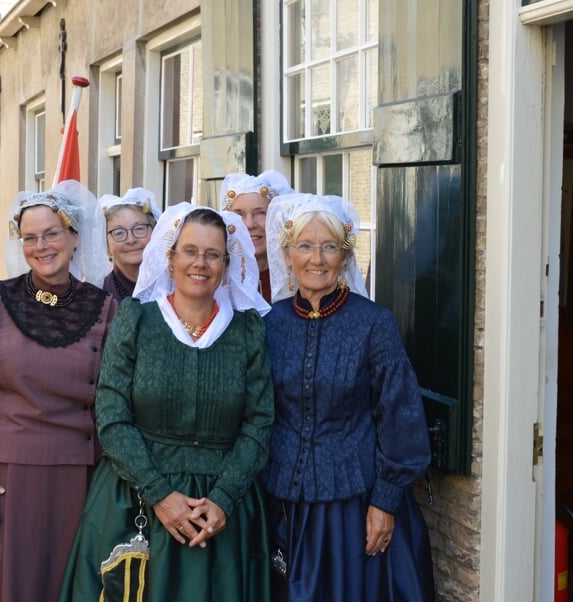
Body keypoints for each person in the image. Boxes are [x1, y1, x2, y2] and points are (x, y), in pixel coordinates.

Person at [59, 202, 274, 601]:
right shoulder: (137, 319)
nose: (201, 263)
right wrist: (158, 492)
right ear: (170, 258)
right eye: (190, 251)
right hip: (136, 502)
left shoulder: (247, 330)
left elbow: (259, 423)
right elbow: (111, 414)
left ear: (226, 265)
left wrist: (223, 499)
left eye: (213, 254)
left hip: (221, 512)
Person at [0, 180, 117, 601]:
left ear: (74, 237)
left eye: (52, 233)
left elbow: (115, 404)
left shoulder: (105, 308)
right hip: (2, 486)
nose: (42, 246)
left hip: (79, 482)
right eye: (30, 237)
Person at [262, 193, 436, 601]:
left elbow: (400, 415)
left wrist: (386, 502)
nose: (317, 259)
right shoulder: (270, 325)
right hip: (285, 504)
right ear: (287, 255)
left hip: (355, 508)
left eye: (329, 247)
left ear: (344, 257)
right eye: (305, 246)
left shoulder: (374, 323)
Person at [220, 169, 294, 302]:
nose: (249, 224)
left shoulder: (297, 277)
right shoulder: (218, 279)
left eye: (260, 213)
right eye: (239, 214)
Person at [99, 187, 162, 302]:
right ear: (107, 245)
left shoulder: (173, 286)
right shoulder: (97, 295)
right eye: (119, 233)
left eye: (139, 229)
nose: (131, 240)